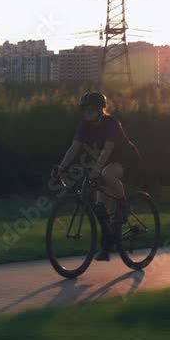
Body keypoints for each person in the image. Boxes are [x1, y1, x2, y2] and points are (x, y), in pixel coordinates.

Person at [53, 91, 141, 257]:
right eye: (84, 110)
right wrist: (62, 167)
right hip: (107, 162)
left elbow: (108, 150)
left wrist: (96, 169)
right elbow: (74, 148)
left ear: (101, 110)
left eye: (91, 110)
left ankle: (123, 205)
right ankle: (108, 242)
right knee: (100, 207)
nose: (87, 113)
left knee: (106, 173)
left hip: (127, 159)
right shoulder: (83, 126)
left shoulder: (112, 123)